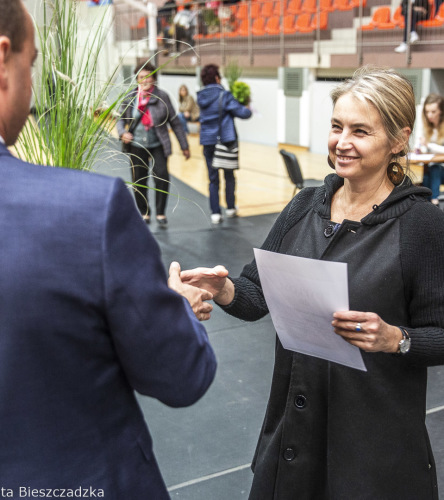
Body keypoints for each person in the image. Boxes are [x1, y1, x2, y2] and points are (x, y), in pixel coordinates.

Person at [0, 0, 216, 494]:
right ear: (0, 60)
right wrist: (175, 304)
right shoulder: (85, 211)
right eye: (31, 65)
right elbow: (183, 376)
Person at [178, 67, 444, 498]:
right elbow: (255, 295)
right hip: (295, 436)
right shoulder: (305, 206)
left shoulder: (421, 226)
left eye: (360, 131)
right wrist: (220, 288)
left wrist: (396, 338)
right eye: (337, 126)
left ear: (398, 140)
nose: (342, 142)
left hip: (374, 449)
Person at [117, 61, 190, 228]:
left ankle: (160, 212)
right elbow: (120, 118)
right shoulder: (131, 96)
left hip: (158, 144)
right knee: (139, 181)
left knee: (162, 178)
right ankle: (144, 212)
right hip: (136, 144)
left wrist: (184, 145)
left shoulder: (162, 96)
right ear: (137, 79)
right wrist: (122, 133)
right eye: (141, 77)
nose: (144, 80)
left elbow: (175, 123)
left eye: (148, 76)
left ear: (154, 78)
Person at [197, 64, 252, 224]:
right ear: (217, 78)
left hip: (208, 141)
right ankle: (230, 208)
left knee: (212, 179)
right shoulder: (224, 95)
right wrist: (247, 105)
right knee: (229, 176)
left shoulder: (201, 97)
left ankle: (215, 213)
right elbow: (244, 113)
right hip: (225, 140)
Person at [418, 93, 444, 205]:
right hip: (431, 167)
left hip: (440, 169)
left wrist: (428, 145)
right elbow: (424, 149)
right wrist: (420, 149)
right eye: (427, 112)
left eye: (433, 112)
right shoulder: (427, 127)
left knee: (435, 169)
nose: (429, 115)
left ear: (441, 111)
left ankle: (434, 202)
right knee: (426, 175)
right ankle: (427, 205)